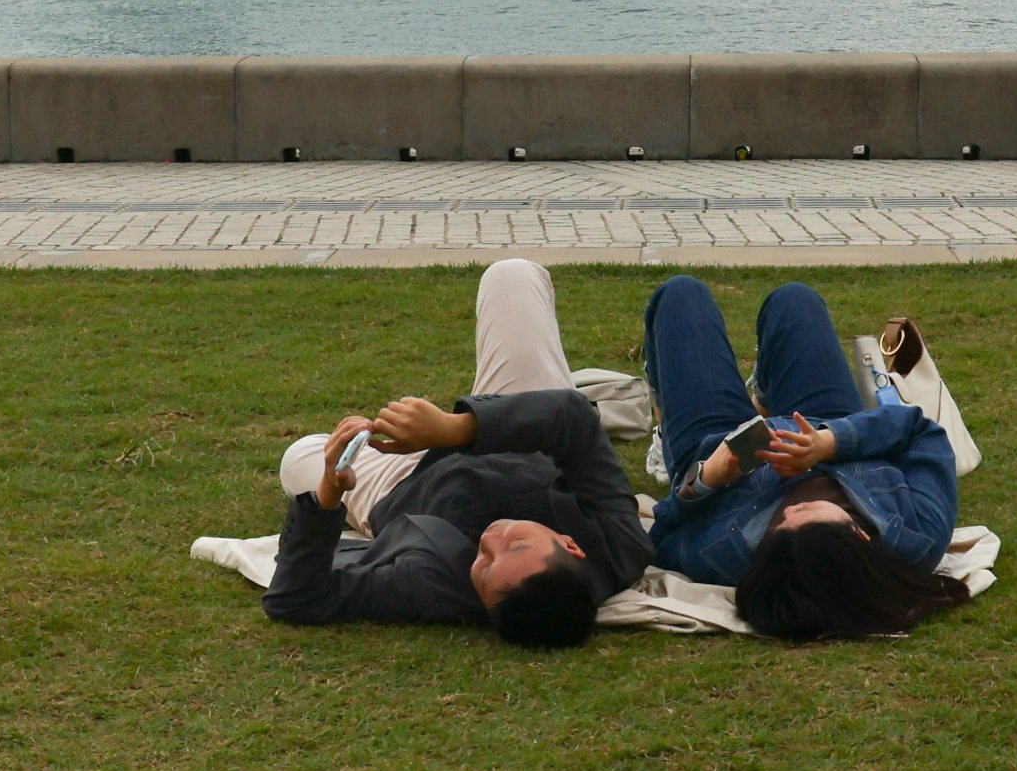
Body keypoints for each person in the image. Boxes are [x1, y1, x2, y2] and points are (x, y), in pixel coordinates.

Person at [262, 256, 650, 646]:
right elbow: (572, 421)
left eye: (483, 569)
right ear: (570, 545)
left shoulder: (440, 585)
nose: (489, 541)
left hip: (403, 485)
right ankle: (545, 401)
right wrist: (451, 429)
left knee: (298, 457)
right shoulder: (618, 545)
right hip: (517, 435)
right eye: (514, 544)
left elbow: (298, 599)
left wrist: (332, 489)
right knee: (511, 275)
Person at [641, 277, 968, 641]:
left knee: (682, 296)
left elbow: (660, 537)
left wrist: (705, 480)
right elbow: (920, 434)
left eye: (779, 529)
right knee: (794, 301)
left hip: (716, 444)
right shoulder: (917, 534)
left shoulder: (724, 556)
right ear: (858, 535)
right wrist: (830, 443)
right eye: (807, 516)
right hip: (828, 421)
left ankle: (665, 427)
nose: (790, 512)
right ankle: (766, 399)